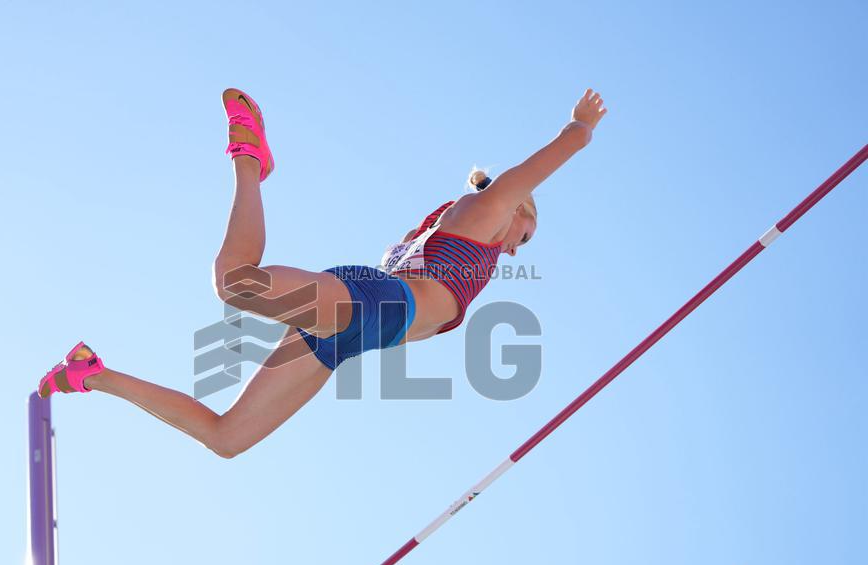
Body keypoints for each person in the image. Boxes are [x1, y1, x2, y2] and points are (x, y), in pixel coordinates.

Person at [37, 87, 608, 458]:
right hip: (371, 305)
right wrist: (580, 128)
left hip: (345, 335)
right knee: (236, 281)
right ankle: (250, 163)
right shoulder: (485, 212)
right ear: (517, 210)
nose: (513, 252)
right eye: (524, 237)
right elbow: (545, 161)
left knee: (227, 438)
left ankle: (93, 374)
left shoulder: (445, 230)